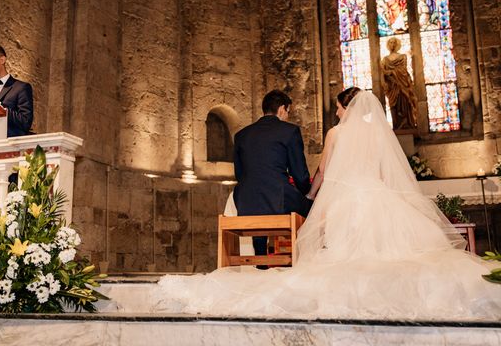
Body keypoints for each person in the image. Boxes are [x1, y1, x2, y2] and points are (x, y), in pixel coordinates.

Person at [152, 90, 501, 321]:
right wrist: (306, 193)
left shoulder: (257, 135)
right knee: (331, 226)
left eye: (337, 106)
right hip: (375, 195)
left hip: (262, 198)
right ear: (284, 109)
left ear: (346, 108)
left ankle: (266, 263)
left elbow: (317, 171)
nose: (335, 112)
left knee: (317, 224)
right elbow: (369, 173)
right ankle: (279, 258)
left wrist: (313, 192)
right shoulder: (377, 136)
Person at [233, 89, 312, 257]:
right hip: (278, 199)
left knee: (259, 199)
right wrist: (306, 192)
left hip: (245, 202)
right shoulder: (289, 131)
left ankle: (261, 258)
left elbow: (239, 174)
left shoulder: (241, 135)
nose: (287, 117)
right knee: (315, 209)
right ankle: (304, 260)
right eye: (288, 112)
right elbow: (300, 175)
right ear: (282, 109)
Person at [0, 44, 33, 137]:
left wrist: (2, 110)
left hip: (7, 146)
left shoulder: (21, 88)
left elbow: (25, 122)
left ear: (2, 60)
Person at [381, 36, 418, 130]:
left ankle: (407, 124)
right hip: (392, 87)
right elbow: (383, 74)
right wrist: (386, 76)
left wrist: (392, 72)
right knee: (394, 106)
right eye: (390, 43)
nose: (392, 44)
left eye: (394, 42)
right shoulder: (385, 60)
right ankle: (397, 126)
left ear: (397, 44)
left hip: (402, 85)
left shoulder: (402, 57)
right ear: (388, 45)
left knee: (405, 103)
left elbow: (403, 71)